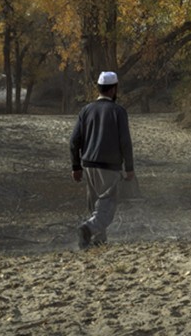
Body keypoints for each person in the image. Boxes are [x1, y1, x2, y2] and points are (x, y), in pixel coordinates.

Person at [69, 71, 135, 249]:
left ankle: (97, 242)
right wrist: (129, 167)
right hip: (109, 166)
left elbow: (74, 141)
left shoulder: (86, 110)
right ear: (113, 89)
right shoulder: (118, 111)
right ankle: (87, 229)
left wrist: (76, 166)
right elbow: (125, 141)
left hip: (88, 165)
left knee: (95, 205)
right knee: (107, 206)